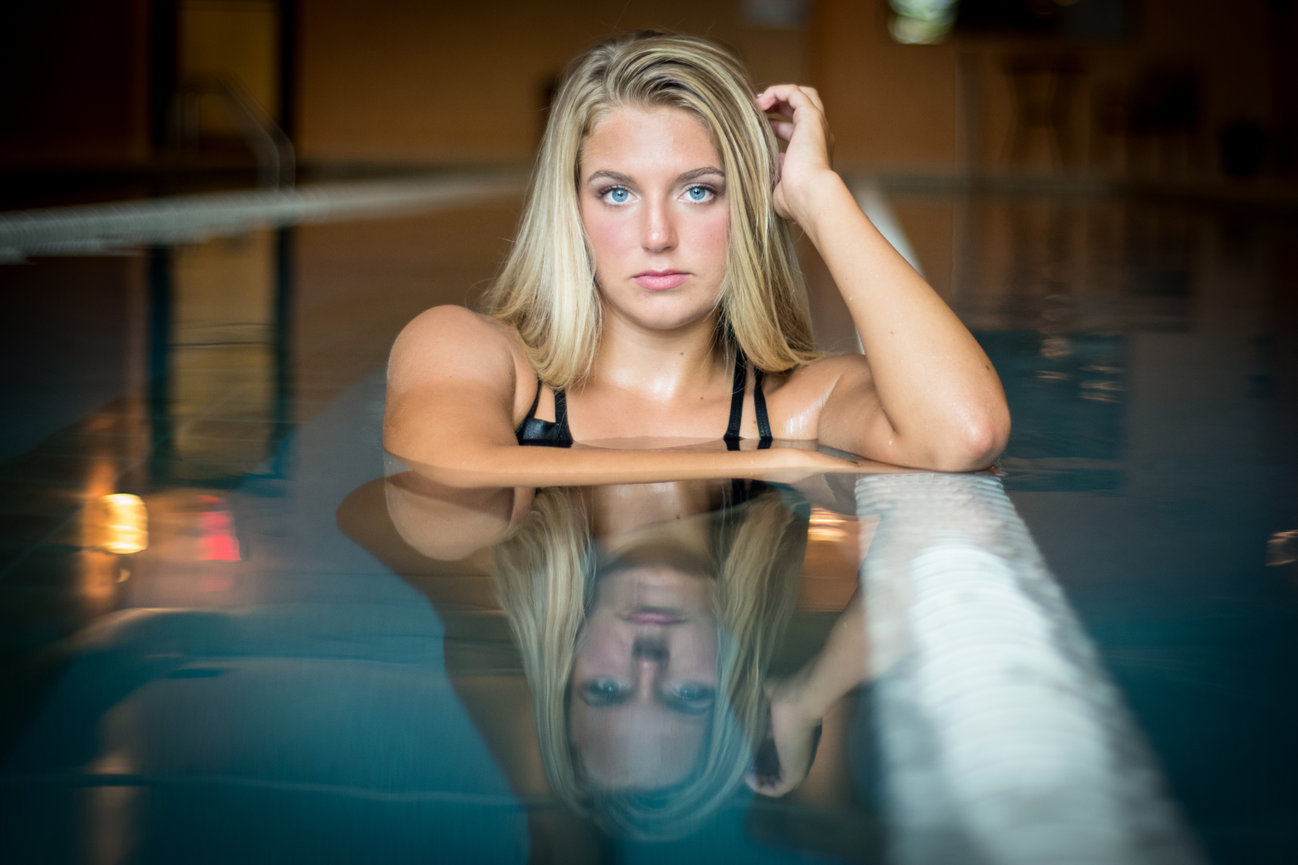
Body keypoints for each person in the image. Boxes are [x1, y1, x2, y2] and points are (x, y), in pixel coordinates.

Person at [384, 30, 1009, 486]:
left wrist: (818, 197)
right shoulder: (475, 354)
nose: (658, 235)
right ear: (571, 209)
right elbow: (450, 466)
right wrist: (765, 465)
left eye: (700, 191)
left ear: (751, 206)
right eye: (617, 193)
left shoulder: (798, 403)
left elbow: (962, 433)